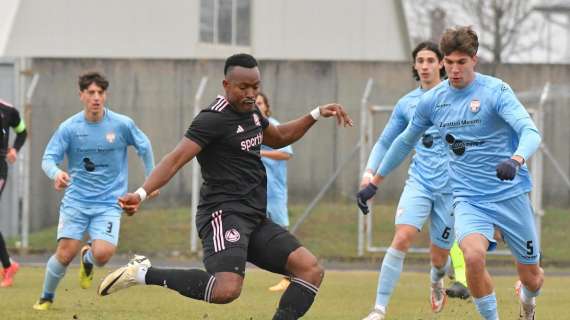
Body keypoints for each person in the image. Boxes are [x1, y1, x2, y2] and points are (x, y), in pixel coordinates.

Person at [97, 53, 353, 320]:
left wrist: (315, 113)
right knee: (226, 290)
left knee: (310, 270)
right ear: (226, 85)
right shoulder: (212, 119)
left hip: (254, 218)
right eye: (244, 87)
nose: (251, 93)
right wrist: (140, 193)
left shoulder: (252, 112)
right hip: (222, 214)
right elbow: (174, 160)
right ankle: (142, 272)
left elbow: (279, 137)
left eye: (255, 87)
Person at [357, 26, 543, 320]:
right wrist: (374, 181)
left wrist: (516, 159)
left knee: (532, 277)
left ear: (474, 60)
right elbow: (404, 141)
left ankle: (528, 305)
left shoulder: (496, 91)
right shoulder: (432, 101)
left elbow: (530, 131)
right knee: (472, 256)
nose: (454, 70)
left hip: (511, 193)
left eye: (461, 63)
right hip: (468, 198)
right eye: (450, 62)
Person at [33, 71, 155, 310]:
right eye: (91, 93)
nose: (96, 97)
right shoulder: (69, 127)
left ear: (105, 95)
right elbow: (48, 158)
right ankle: (46, 297)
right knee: (65, 253)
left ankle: (88, 260)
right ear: (81, 95)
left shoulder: (121, 124)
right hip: (76, 200)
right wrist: (56, 173)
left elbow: (144, 145)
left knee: (103, 255)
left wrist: (152, 179)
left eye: (100, 92)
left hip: (109, 201)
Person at [360, 41, 461, 320]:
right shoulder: (407, 104)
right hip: (419, 182)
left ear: (441, 63)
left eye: (431, 60)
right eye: (421, 61)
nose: (426, 66)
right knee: (402, 237)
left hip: (451, 189)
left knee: (439, 257)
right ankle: (378, 310)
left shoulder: (457, 98)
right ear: (415, 66)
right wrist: (369, 174)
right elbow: (385, 142)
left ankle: (436, 278)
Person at [257, 92, 294, 292]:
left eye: (260, 103)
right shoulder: (247, 129)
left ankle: (289, 276)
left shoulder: (273, 127)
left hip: (274, 192)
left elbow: (286, 153)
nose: (257, 105)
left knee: (282, 233)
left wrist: (260, 152)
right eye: (254, 103)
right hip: (255, 192)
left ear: (266, 107)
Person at [0, 99, 27, 287]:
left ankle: (8, 267)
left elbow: (22, 132)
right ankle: (9, 265)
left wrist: (15, 150)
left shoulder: (8, 110)